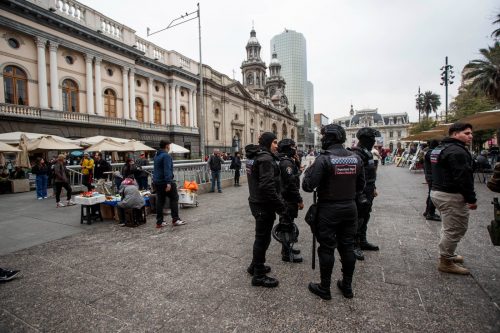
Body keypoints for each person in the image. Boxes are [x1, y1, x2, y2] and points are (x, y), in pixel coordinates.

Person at [302, 124, 365, 300]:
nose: (321, 139)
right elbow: (361, 186)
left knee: (327, 248)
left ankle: (324, 287)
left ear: (330, 138)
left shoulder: (323, 159)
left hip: (328, 209)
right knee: (347, 247)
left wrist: (308, 171)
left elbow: (308, 186)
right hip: (350, 208)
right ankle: (347, 286)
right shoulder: (356, 158)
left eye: (323, 137)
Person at [430, 122, 476, 275]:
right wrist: (471, 198)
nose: (470, 136)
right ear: (455, 134)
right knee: (455, 228)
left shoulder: (439, 148)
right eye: (467, 133)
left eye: (470, 133)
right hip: (450, 194)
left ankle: (448, 253)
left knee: (449, 226)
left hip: (438, 191)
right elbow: (463, 177)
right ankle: (446, 261)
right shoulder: (457, 151)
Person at [245, 132, 286, 288]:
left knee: (261, 237)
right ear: (269, 143)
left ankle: (254, 266)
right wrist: (281, 207)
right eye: (275, 142)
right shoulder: (266, 159)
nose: (276, 145)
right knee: (262, 239)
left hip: (256, 202)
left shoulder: (254, 156)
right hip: (263, 204)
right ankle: (259, 275)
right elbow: (267, 186)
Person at [349, 127, 380, 261]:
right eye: (372, 138)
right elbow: (356, 177)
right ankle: (354, 245)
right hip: (360, 192)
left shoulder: (366, 152)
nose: (374, 141)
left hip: (368, 189)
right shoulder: (357, 154)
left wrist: (373, 187)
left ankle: (362, 240)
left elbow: (370, 173)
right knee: (359, 218)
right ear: (366, 139)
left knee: (365, 216)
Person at [276, 138, 304, 263]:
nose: (295, 149)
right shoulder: (286, 163)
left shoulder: (287, 161)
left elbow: (293, 177)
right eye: (293, 147)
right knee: (286, 225)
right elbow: (291, 184)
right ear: (288, 148)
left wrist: (297, 163)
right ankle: (286, 254)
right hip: (287, 199)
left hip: (286, 198)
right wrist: (299, 200)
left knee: (288, 223)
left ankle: (287, 249)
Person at [153, 140, 186, 228]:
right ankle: (175, 219)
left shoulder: (156, 155)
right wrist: (168, 183)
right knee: (174, 199)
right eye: (169, 145)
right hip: (166, 182)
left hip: (157, 182)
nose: (170, 147)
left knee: (160, 201)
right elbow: (167, 170)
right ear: (167, 146)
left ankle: (159, 222)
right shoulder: (166, 156)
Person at [423, 140, 441, 221]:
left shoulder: (429, 152)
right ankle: (430, 213)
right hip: (432, 176)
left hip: (429, 176)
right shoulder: (431, 153)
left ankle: (427, 211)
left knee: (430, 194)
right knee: (432, 194)